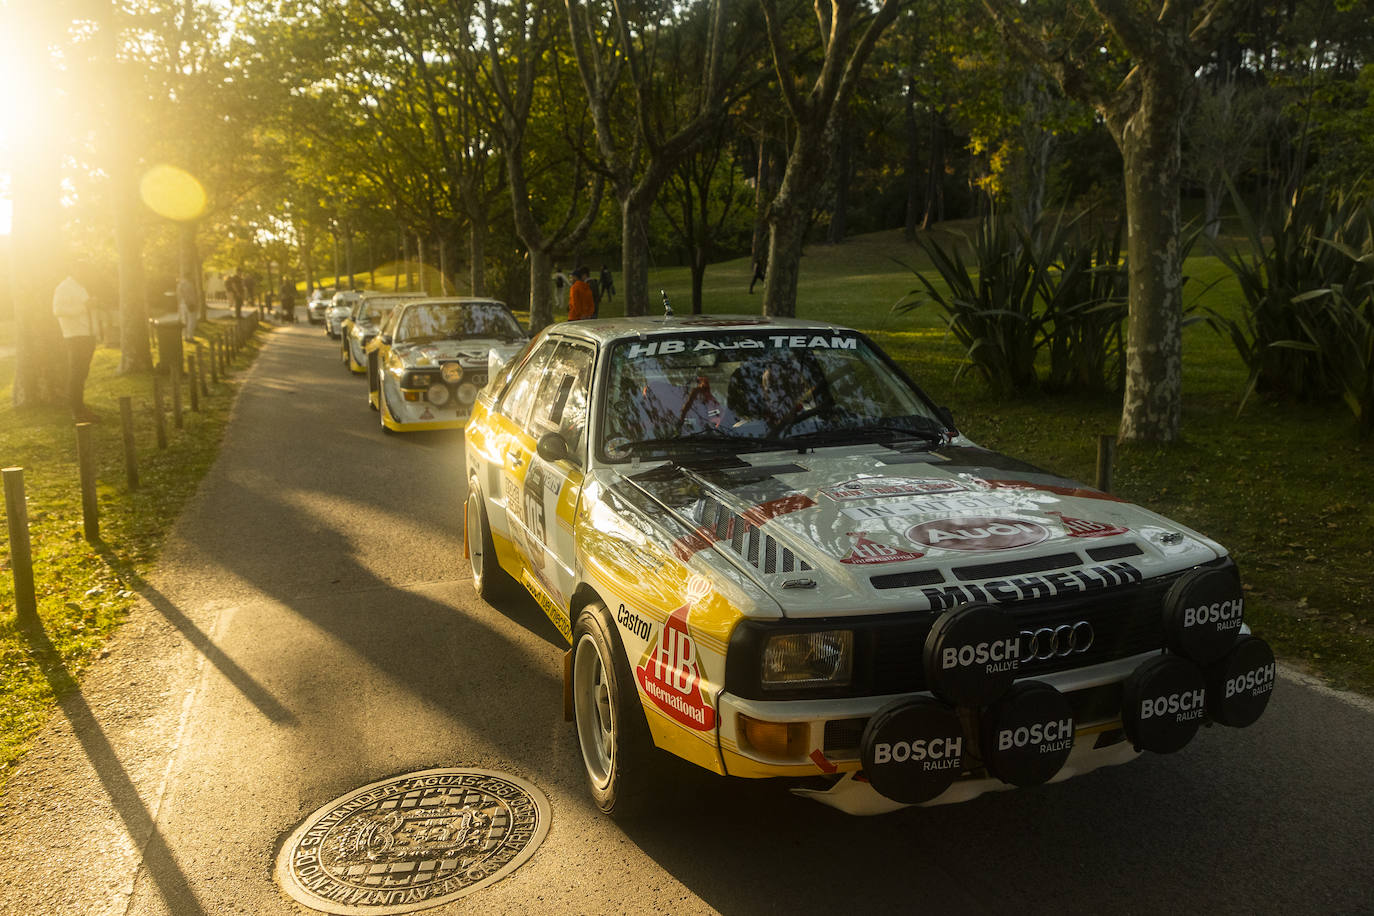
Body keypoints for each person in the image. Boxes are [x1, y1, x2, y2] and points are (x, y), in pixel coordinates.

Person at [52, 266, 99, 422]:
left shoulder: (81, 286)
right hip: (75, 335)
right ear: (72, 269)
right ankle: (77, 410)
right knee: (77, 373)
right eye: (79, 267)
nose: (83, 270)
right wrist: (83, 307)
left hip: (87, 334)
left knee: (83, 372)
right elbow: (57, 310)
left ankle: (80, 407)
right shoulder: (64, 287)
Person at [177, 272, 198, 341]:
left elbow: (179, 295)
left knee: (184, 320)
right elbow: (191, 295)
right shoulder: (189, 284)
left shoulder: (180, 284)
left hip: (182, 303)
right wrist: (191, 303)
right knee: (191, 320)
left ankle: (185, 336)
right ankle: (190, 336)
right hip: (190, 303)